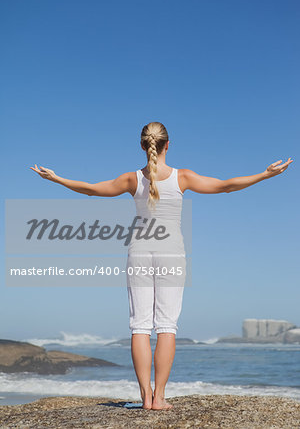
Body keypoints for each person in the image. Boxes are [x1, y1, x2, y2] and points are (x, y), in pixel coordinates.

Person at [30, 122, 293, 410]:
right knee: (167, 327)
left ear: (143, 146)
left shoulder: (132, 179)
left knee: (140, 327)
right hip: (171, 256)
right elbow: (226, 186)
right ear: (168, 145)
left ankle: (145, 397)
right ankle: (159, 398)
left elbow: (92, 190)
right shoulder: (183, 177)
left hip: (139, 254)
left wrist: (57, 179)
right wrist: (265, 175)